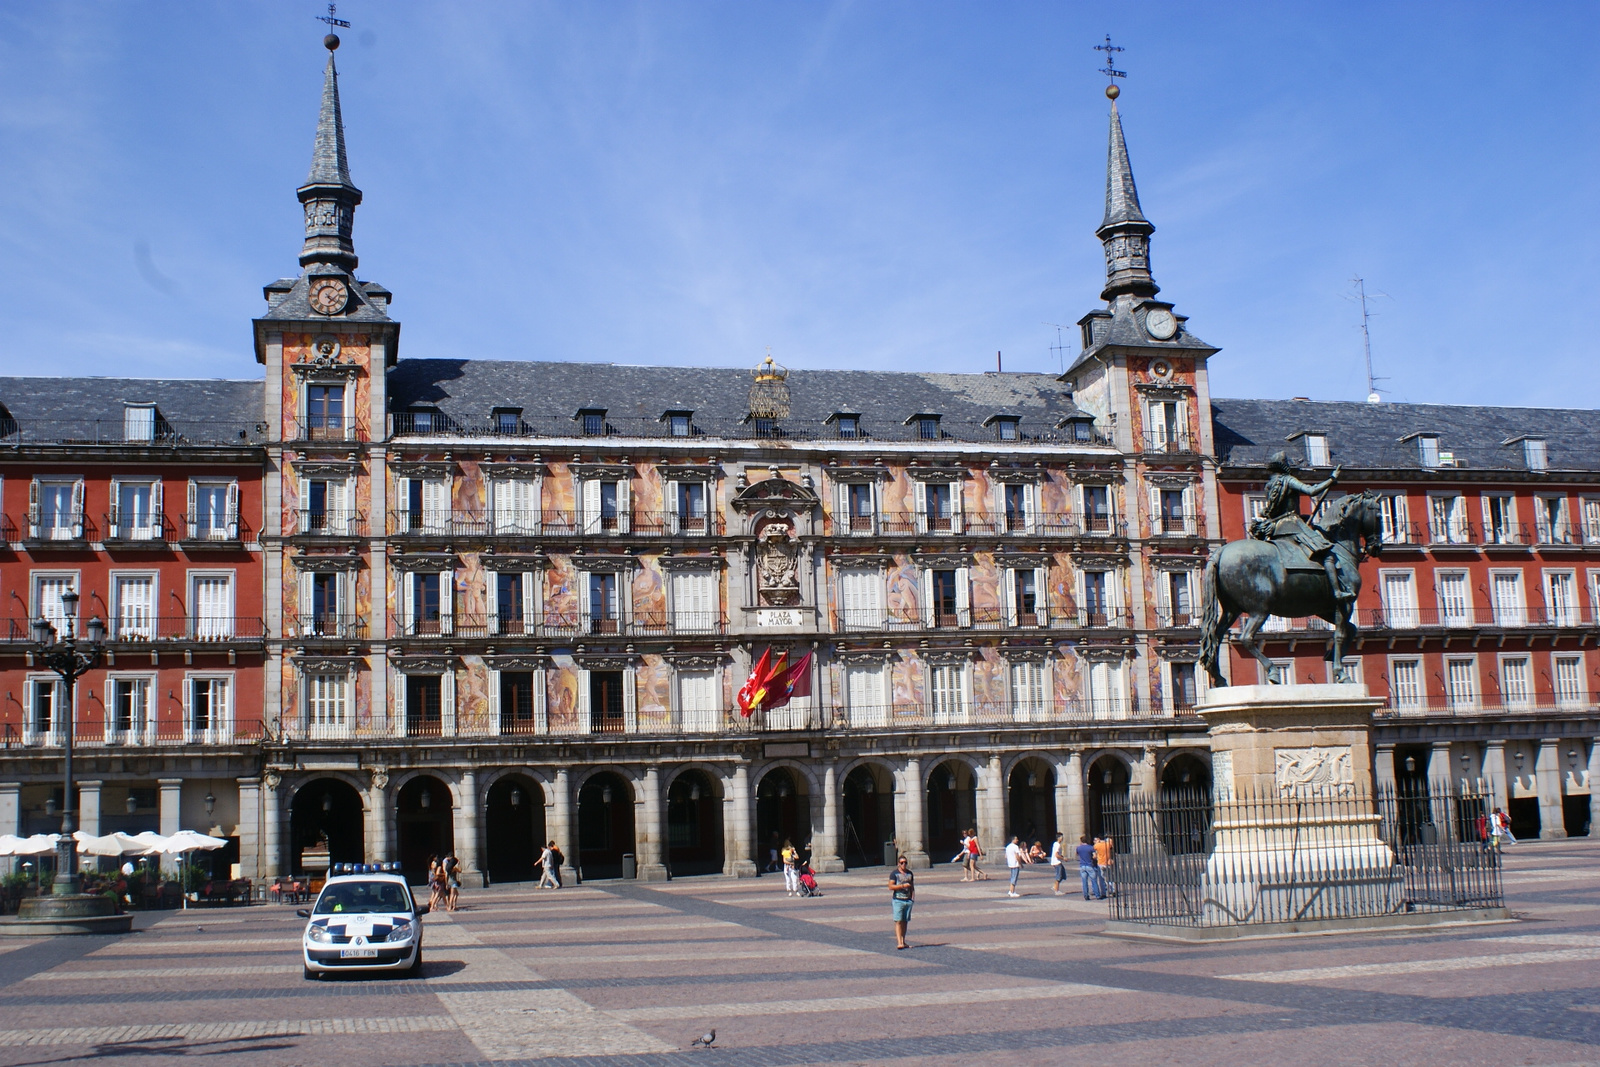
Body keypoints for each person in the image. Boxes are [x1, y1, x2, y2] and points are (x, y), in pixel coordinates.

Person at [1249, 451, 1355, 606]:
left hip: (1276, 529)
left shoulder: (1269, 485)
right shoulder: (1288, 480)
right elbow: (1311, 491)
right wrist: (1331, 479)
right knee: (1326, 553)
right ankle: (1337, 592)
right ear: (1284, 466)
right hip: (1292, 525)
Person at [886, 855, 915, 950]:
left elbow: (912, 887)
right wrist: (902, 886)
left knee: (905, 921)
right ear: (898, 864)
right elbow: (890, 887)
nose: (904, 864)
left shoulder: (910, 873)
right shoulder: (894, 874)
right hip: (898, 900)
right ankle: (899, 942)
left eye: (905, 862)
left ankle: (903, 941)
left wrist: (912, 899)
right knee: (898, 921)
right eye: (902, 863)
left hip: (908, 900)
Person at [1075, 836, 1103, 900]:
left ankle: (1086, 896)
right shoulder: (1090, 847)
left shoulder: (1078, 848)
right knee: (1094, 881)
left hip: (1082, 865)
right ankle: (1097, 895)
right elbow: (1094, 856)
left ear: (1081, 841)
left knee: (1084, 882)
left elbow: (1076, 855)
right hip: (1089, 865)